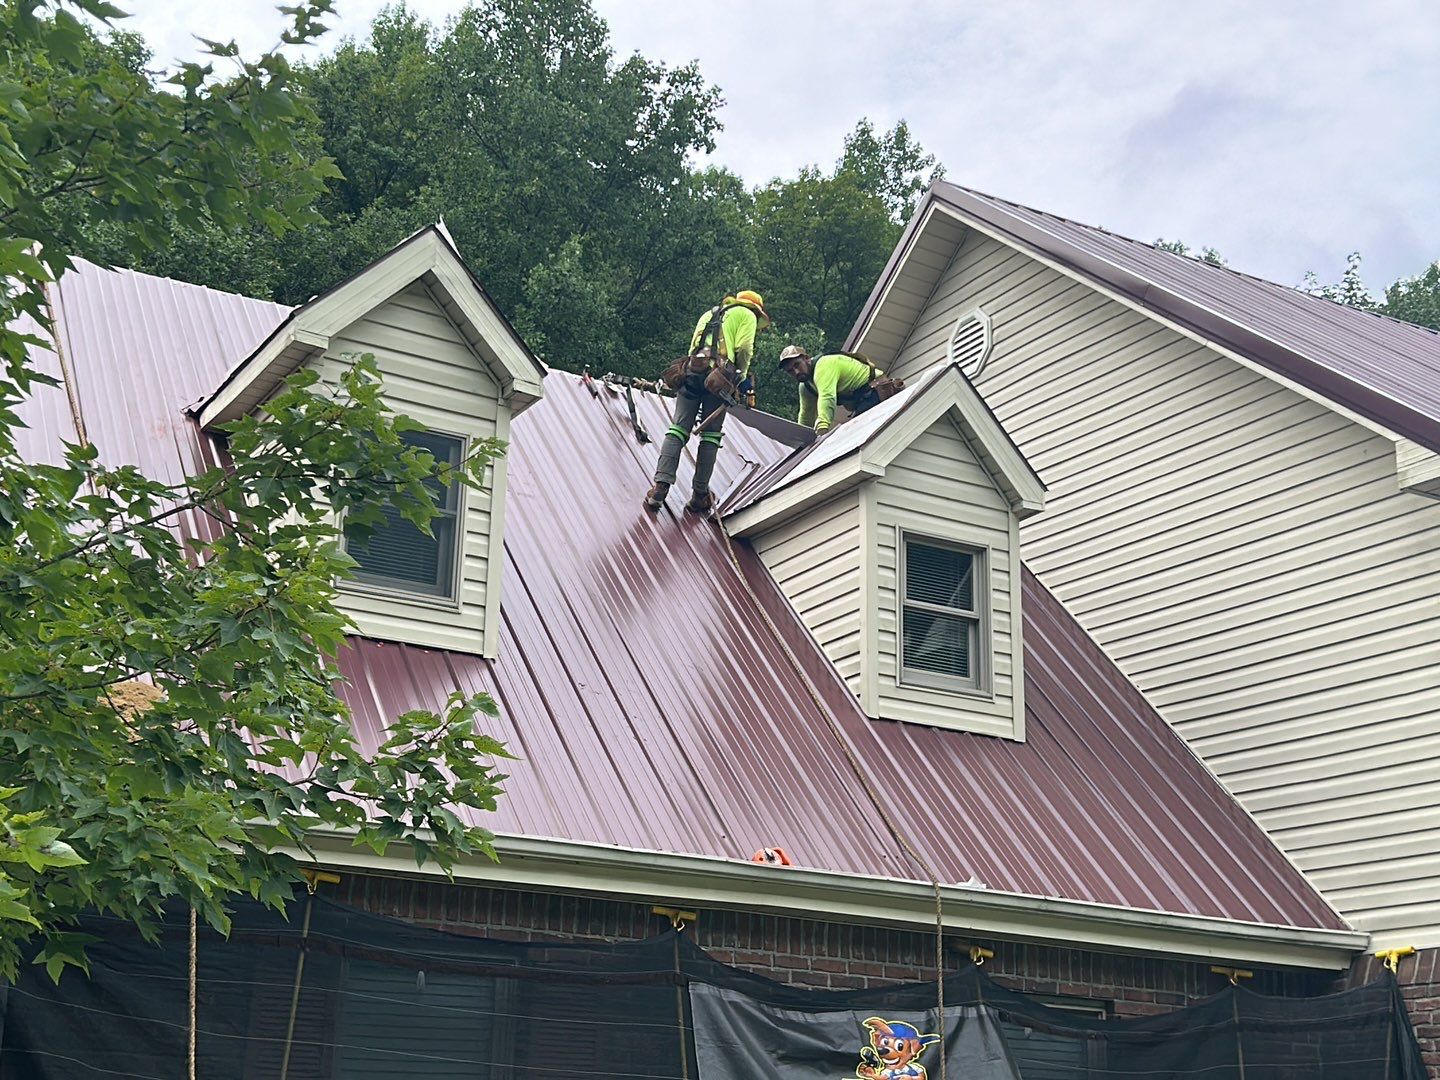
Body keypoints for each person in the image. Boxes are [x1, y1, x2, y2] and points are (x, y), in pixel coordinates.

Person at [645, 290, 769, 513]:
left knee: (677, 429)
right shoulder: (747, 315)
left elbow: (693, 345)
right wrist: (740, 377)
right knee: (710, 435)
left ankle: (659, 488)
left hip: (692, 371)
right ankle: (700, 494)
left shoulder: (710, 313)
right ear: (756, 309)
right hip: (718, 379)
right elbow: (744, 348)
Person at [778, 346, 886, 432]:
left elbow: (827, 396)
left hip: (878, 389)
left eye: (797, 365)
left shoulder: (823, 365)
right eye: (790, 371)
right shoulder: (806, 387)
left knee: (859, 432)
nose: (796, 372)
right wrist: (801, 437)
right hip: (863, 401)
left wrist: (823, 424)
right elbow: (806, 414)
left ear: (806, 359)